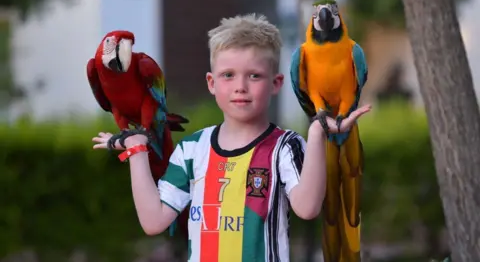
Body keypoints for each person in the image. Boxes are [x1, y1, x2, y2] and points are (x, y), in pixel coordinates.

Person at [92, 13, 371, 262]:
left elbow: (308, 208)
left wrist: (317, 131)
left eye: (254, 75)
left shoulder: (284, 146)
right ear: (211, 84)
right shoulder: (192, 149)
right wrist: (137, 151)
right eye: (228, 75)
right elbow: (153, 221)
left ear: (275, 84)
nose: (240, 87)